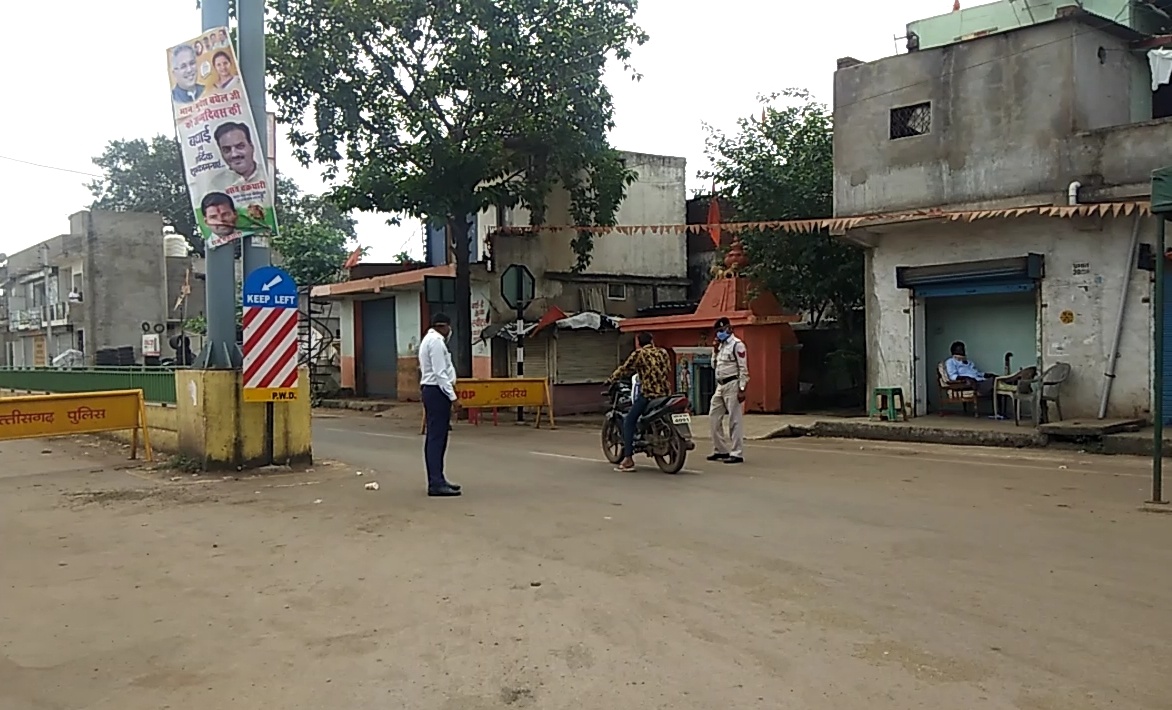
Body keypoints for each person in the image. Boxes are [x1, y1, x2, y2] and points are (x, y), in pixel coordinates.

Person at [606, 331, 672, 472]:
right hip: (665, 395)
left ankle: (628, 459)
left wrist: (611, 379)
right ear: (652, 341)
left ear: (638, 343)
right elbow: (667, 370)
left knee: (629, 421)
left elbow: (625, 369)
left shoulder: (639, 354)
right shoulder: (663, 353)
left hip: (649, 395)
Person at [419, 312, 462, 497]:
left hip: (435, 390)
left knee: (438, 437)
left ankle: (439, 478)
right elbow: (439, 373)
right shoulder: (436, 342)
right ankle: (435, 482)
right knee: (436, 437)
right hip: (436, 391)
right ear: (444, 326)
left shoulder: (430, 340)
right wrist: (453, 397)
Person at [708, 317, 749, 464]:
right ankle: (721, 450)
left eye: (721, 330)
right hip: (720, 385)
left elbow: (743, 368)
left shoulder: (737, 345)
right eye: (717, 331)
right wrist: (714, 350)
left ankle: (737, 452)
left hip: (733, 384)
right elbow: (714, 366)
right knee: (714, 416)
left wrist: (742, 388)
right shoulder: (721, 346)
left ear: (729, 329)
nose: (719, 334)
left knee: (734, 420)